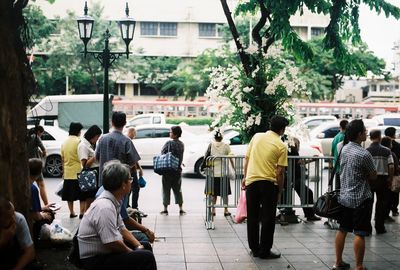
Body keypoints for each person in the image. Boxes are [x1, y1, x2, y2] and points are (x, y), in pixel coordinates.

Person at [78, 160, 156, 270]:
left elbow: (122, 228)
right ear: (123, 184)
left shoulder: (114, 200)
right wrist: (132, 254)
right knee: (145, 257)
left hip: (106, 252)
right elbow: (111, 243)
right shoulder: (105, 207)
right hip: (95, 260)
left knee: (145, 247)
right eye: (130, 179)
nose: (131, 181)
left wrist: (139, 246)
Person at [242, 115, 289, 259]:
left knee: (253, 217)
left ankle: (254, 248)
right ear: (282, 130)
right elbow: (280, 172)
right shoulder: (281, 146)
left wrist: (245, 177)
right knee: (268, 218)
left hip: (252, 182)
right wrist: (280, 190)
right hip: (268, 184)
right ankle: (265, 250)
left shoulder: (256, 137)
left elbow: (247, 158)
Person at [334, 119, 377, 270]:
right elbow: (373, 175)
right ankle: (359, 266)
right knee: (360, 233)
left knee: (343, 229)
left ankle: (338, 261)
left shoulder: (343, 149)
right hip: (361, 198)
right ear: (359, 134)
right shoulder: (364, 154)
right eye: (364, 131)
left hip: (345, 197)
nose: (366, 133)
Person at [95, 112, 140, 188]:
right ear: (125, 123)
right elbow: (132, 162)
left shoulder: (102, 139)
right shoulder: (127, 141)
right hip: (121, 183)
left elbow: (96, 158)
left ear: (112, 122)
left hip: (104, 182)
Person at [366, 129, 394, 234]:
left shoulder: (367, 151)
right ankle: (379, 227)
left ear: (370, 137)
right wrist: (390, 179)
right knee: (381, 204)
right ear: (379, 137)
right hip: (383, 180)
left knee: (368, 204)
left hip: (370, 180)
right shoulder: (387, 151)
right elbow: (391, 167)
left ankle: (367, 228)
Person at [0, 197, 39, 270]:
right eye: (9, 217)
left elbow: (30, 252)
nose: (13, 219)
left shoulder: (18, 218)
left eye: (13, 213)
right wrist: (2, 240)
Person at [288, 138, 321, 221]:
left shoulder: (290, 150)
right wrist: (312, 159)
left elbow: (299, 162)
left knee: (306, 194)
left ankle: (309, 214)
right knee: (307, 193)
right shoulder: (293, 151)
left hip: (293, 178)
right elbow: (300, 162)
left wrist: (311, 160)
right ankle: (310, 215)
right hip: (294, 178)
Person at [203, 130, 234, 216]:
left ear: (214, 138)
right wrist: (234, 168)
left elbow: (206, 157)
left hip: (213, 173)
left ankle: (213, 210)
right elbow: (231, 157)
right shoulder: (226, 146)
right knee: (225, 193)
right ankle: (226, 210)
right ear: (222, 137)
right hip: (223, 173)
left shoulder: (211, 145)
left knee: (214, 193)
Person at [160, 125, 185, 215]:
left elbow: (162, 153)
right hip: (177, 170)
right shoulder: (181, 144)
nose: (169, 133)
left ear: (175, 134)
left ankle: (165, 209)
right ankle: (181, 208)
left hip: (168, 171)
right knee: (178, 189)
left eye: (171, 132)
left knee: (166, 189)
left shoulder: (169, 143)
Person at [29, 158, 55, 244]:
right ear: (39, 173)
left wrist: (43, 208)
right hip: (30, 220)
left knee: (47, 211)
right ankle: (36, 238)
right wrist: (43, 215)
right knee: (50, 214)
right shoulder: (33, 188)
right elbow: (35, 216)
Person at [61, 122, 84, 218]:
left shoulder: (64, 142)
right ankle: (82, 213)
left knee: (69, 195)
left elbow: (62, 158)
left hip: (67, 172)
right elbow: (82, 157)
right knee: (82, 195)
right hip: (78, 171)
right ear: (78, 131)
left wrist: (63, 171)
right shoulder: (79, 141)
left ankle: (72, 212)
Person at [78, 125, 102, 214]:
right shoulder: (83, 145)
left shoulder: (91, 145)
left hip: (95, 173)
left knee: (94, 199)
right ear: (93, 135)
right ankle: (87, 221)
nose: (97, 139)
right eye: (97, 137)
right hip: (90, 175)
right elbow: (84, 165)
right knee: (90, 201)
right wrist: (96, 155)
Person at [27, 125, 49, 206]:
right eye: (42, 134)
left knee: (29, 184)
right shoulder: (36, 137)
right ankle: (47, 205)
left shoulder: (27, 137)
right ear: (39, 132)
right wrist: (42, 155)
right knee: (41, 185)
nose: (41, 135)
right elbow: (44, 151)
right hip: (35, 164)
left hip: (26, 164)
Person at [125, 127, 145, 214]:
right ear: (130, 132)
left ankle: (129, 206)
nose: (135, 135)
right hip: (130, 170)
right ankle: (133, 207)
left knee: (131, 189)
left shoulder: (127, 141)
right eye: (134, 133)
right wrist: (139, 169)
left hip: (130, 169)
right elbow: (134, 158)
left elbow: (134, 158)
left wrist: (139, 168)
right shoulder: (128, 141)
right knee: (134, 188)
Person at [384, 127, 400, 217]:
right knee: (395, 191)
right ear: (393, 134)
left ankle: (385, 211)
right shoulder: (397, 145)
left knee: (385, 193)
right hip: (394, 171)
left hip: (384, 172)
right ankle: (394, 209)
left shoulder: (382, 144)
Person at [331, 120, 348, 189]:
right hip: (343, 167)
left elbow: (331, 152)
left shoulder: (336, 137)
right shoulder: (344, 138)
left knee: (337, 189)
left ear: (340, 127)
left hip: (336, 166)